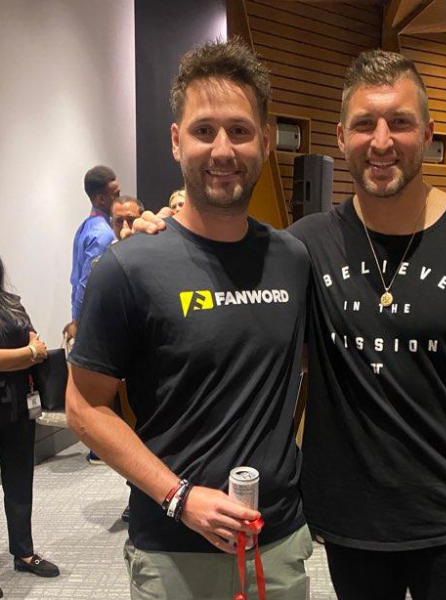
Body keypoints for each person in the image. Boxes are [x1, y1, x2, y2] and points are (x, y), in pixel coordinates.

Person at [132, 49, 446, 600]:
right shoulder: (301, 248)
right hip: (349, 525)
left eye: (399, 122)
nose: (381, 142)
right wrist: (162, 234)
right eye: (364, 125)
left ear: (428, 133)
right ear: (341, 137)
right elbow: (220, 269)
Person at [66, 38, 312, 600]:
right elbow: (83, 407)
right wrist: (179, 496)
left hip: (276, 545)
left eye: (240, 130)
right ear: (177, 141)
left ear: (265, 141)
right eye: (204, 130)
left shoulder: (293, 259)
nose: (223, 149)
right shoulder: (129, 267)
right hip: (173, 551)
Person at [0, 255, 60, 597]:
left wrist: (27, 353)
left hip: (18, 404)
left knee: (20, 480)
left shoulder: (12, 302)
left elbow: (38, 344)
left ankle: (23, 552)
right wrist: (27, 353)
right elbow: (31, 349)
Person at [63, 165, 121, 343]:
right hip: (97, 323)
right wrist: (78, 323)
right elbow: (87, 281)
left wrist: (75, 317)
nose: (120, 200)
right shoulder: (104, 234)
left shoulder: (85, 227)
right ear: (101, 199)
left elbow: (76, 280)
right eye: (116, 195)